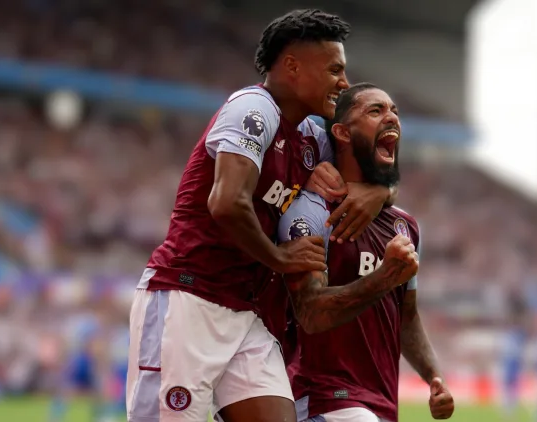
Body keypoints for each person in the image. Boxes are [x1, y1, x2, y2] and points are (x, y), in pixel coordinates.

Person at [125, 10, 395, 422]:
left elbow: (373, 161)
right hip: (188, 297)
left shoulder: (311, 135)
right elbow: (226, 201)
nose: (343, 83)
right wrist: (280, 257)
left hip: (245, 312)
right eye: (335, 69)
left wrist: (378, 191)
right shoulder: (253, 107)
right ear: (292, 66)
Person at [276, 83, 455, 422]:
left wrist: (434, 376)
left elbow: (408, 316)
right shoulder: (311, 213)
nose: (392, 118)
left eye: (395, 111)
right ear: (342, 132)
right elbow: (310, 313)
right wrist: (384, 277)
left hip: (380, 402)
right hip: (324, 400)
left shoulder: (405, 226)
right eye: (376, 111)